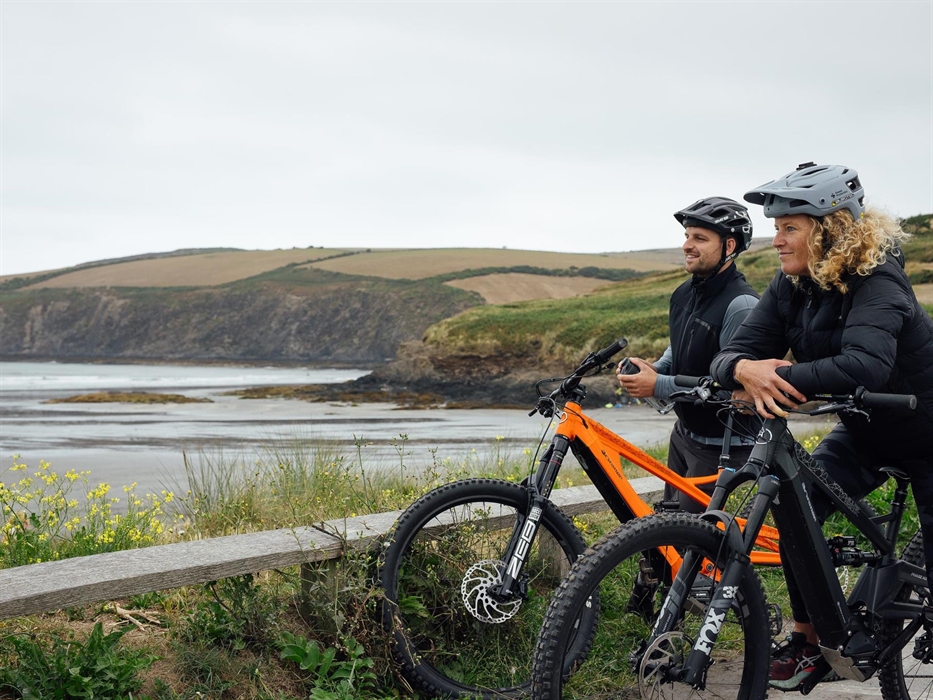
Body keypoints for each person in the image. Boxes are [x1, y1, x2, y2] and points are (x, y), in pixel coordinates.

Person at [710, 162, 933, 690]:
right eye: (776, 227)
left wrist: (775, 376)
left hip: (927, 433)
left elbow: (865, 364)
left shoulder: (878, 279)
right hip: (865, 430)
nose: (776, 240)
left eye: (789, 227)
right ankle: (811, 640)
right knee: (797, 507)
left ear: (831, 229)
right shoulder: (792, 283)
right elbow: (734, 353)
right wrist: (742, 369)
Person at [617, 197, 759, 513]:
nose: (687, 246)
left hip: (723, 447)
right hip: (684, 435)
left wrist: (659, 385)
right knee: (669, 524)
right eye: (686, 236)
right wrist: (654, 369)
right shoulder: (683, 293)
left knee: (693, 538)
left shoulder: (742, 306)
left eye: (700, 238)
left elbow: (734, 391)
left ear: (729, 245)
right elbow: (680, 348)